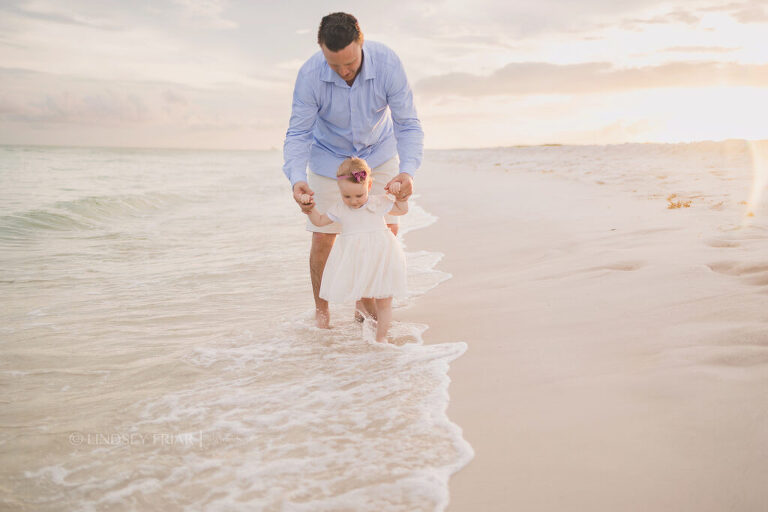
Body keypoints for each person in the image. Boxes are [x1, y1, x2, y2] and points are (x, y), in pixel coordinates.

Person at [282, 12, 423, 328]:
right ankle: (322, 314)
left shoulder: (387, 64)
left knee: (384, 230)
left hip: (379, 152)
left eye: (351, 63)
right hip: (328, 156)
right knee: (324, 236)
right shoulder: (309, 76)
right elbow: (298, 134)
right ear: (322, 50)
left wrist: (408, 171)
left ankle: (365, 303)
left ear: (362, 43)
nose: (344, 72)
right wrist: (297, 179)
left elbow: (408, 124)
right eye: (335, 66)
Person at [301, 158, 408, 342]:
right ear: (339, 190)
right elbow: (319, 222)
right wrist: (309, 208)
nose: (353, 201)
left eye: (359, 195)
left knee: (384, 299)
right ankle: (365, 321)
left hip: (382, 257)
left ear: (369, 185)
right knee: (363, 291)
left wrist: (401, 197)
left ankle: (381, 338)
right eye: (347, 196)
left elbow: (401, 210)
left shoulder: (378, 202)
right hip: (358, 261)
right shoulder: (340, 208)